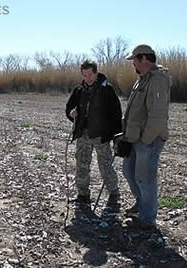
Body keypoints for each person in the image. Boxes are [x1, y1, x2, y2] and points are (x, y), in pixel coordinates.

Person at [122, 44, 171, 229]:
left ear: (144, 59)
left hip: (148, 140)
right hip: (135, 138)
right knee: (128, 171)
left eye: (134, 59)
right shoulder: (142, 79)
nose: (132, 63)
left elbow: (158, 116)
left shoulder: (157, 79)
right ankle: (141, 203)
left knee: (145, 178)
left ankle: (147, 219)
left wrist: (146, 140)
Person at [65, 60, 122, 206]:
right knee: (82, 164)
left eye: (90, 74)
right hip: (83, 134)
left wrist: (116, 136)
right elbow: (69, 108)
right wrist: (72, 114)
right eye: (85, 75)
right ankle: (83, 194)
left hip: (101, 135)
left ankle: (113, 192)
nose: (88, 78)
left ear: (96, 73)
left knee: (105, 165)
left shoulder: (107, 89)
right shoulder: (79, 90)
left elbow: (116, 114)